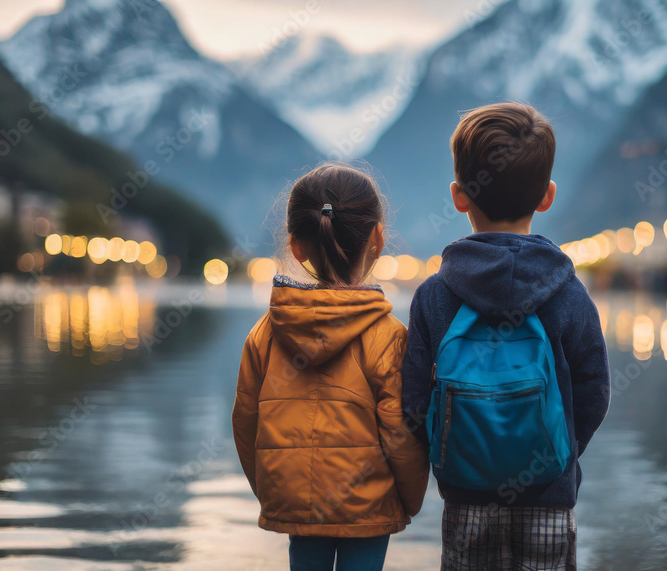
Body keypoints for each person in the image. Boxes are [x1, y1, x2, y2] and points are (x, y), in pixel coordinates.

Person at [402, 102, 611, 570]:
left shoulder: (435, 297)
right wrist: (557, 450)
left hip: (465, 493)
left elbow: (414, 402)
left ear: (459, 196)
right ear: (547, 196)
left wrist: (450, 456)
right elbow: (594, 388)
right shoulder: (568, 294)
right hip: (549, 493)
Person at [232, 164, 429, 571]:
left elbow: (246, 422)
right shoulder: (388, 336)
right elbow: (399, 431)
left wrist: (274, 489)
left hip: (292, 501)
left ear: (296, 246)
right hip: (368, 506)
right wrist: (410, 498)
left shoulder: (264, 334)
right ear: (377, 237)